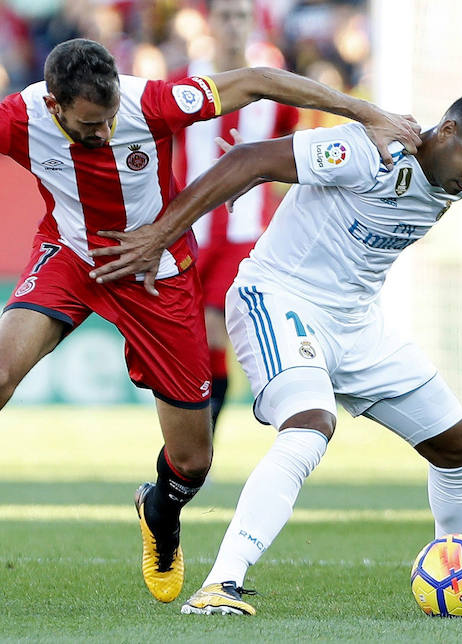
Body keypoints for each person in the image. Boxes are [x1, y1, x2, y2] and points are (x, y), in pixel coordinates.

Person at [0, 38, 421, 604]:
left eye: (109, 119)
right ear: (54, 105)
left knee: (193, 460)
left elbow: (261, 80)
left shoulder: (151, 101)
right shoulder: (12, 118)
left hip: (154, 269)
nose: (102, 133)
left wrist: (367, 113)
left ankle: (161, 513)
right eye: (88, 126)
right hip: (69, 257)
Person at [88, 87, 462, 614]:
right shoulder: (373, 149)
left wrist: (268, 178)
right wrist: (161, 235)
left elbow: (329, 202)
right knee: (309, 424)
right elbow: (248, 157)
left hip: (358, 323)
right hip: (279, 299)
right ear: (447, 132)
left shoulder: (454, 183)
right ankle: (221, 584)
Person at [172, 0, 300, 432]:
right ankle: (197, 440)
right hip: (191, 228)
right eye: (225, 15)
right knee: (194, 343)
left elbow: (289, 150)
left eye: (240, 16)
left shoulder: (274, 89)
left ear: (252, 24)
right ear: (211, 22)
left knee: (213, 331)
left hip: (244, 234)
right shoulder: (185, 82)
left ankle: (203, 437)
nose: (232, 25)